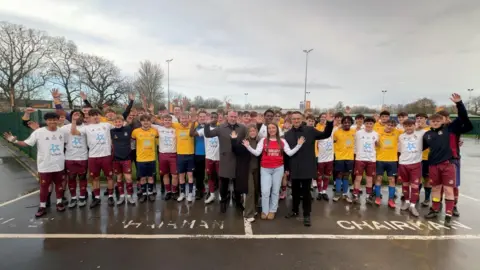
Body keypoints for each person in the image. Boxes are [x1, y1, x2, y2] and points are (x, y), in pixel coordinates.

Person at [4, 112, 66, 217]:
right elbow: (25, 143)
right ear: (46, 121)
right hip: (44, 166)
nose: (52, 122)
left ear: (58, 120)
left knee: (59, 185)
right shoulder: (38, 132)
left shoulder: (62, 132)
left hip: (59, 165)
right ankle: (42, 207)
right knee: (44, 187)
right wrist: (13, 141)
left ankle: (59, 203)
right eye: (49, 120)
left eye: (54, 119)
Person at [423, 94, 471, 227]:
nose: (437, 121)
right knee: (436, 188)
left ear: (445, 120)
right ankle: (435, 208)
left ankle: (450, 210)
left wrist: (459, 103)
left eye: (440, 119)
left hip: (450, 162)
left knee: (451, 187)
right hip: (434, 164)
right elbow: (420, 147)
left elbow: (463, 118)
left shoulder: (451, 129)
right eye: (434, 119)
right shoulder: (428, 134)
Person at [243, 123, 304, 220]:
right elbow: (257, 153)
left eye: (273, 128)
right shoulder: (263, 140)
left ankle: (273, 210)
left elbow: (289, 153)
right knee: (265, 191)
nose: (271, 130)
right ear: (267, 130)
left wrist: (298, 145)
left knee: (275, 191)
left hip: (278, 169)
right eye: (269, 128)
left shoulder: (282, 141)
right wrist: (248, 147)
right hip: (265, 169)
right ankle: (265, 210)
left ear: (277, 129)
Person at [284, 111, 333, 227]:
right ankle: (295, 210)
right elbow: (286, 154)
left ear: (302, 119)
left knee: (306, 193)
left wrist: (330, 122)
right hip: (294, 167)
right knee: (295, 192)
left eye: (298, 118)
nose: (296, 121)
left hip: (307, 167)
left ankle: (307, 214)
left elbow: (325, 134)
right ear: (291, 120)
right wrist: (286, 168)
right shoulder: (287, 134)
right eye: (294, 119)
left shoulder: (310, 130)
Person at [204, 110, 247, 213]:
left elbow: (249, 137)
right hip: (225, 159)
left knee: (237, 184)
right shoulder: (221, 128)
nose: (233, 118)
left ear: (237, 117)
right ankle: (223, 202)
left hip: (237, 159)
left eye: (235, 116)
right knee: (224, 183)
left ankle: (238, 202)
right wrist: (207, 124)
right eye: (231, 116)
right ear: (227, 117)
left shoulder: (242, 128)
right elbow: (208, 134)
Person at [71, 109, 114, 208]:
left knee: (110, 177)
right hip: (93, 157)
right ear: (89, 117)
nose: (95, 117)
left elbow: (121, 124)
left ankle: (111, 196)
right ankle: (97, 198)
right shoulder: (87, 128)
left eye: (97, 114)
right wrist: (73, 120)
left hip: (106, 156)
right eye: (93, 115)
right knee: (95, 178)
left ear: (100, 115)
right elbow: (73, 132)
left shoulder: (106, 125)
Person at [60, 110, 89, 208]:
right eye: (75, 115)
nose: (77, 117)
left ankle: (82, 197)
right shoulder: (64, 128)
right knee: (71, 178)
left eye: (79, 115)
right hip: (70, 157)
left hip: (83, 157)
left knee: (82, 177)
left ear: (83, 117)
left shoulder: (86, 128)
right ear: (71, 116)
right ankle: (73, 198)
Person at [231, 125, 259, 222]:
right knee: (250, 191)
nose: (252, 132)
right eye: (250, 130)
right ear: (248, 132)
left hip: (258, 169)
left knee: (256, 190)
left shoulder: (260, 141)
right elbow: (236, 150)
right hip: (247, 170)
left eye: (254, 130)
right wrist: (233, 139)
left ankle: (253, 209)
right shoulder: (244, 142)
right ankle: (248, 214)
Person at [398, 119, 424, 217]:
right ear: (404, 127)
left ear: (414, 126)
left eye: (411, 125)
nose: (409, 128)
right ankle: (407, 202)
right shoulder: (401, 136)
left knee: (415, 186)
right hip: (403, 163)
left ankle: (413, 206)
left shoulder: (421, 135)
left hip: (416, 164)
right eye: (406, 126)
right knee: (405, 184)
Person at [375, 119, 402, 208]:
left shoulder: (397, 132)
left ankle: (391, 199)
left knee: (392, 180)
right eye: (388, 125)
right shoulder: (378, 132)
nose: (390, 127)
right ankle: (378, 197)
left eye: (392, 125)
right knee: (379, 178)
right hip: (380, 160)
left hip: (392, 160)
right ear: (385, 125)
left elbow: (408, 129)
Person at [132, 114, 159, 203]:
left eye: (147, 120)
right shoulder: (135, 132)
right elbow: (132, 141)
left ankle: (150, 193)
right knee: (142, 178)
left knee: (151, 177)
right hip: (140, 159)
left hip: (151, 158)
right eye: (143, 120)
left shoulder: (155, 131)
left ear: (150, 121)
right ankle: (144, 194)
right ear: (141, 122)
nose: (146, 122)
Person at [194, 112, 220, 204]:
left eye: (215, 117)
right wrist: (194, 122)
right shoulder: (205, 128)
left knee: (220, 176)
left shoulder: (220, 128)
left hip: (219, 157)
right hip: (209, 156)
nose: (213, 118)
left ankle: (221, 194)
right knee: (210, 176)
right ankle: (212, 194)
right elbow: (192, 134)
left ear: (218, 118)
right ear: (209, 118)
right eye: (211, 117)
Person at [153, 114, 179, 201]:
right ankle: (168, 192)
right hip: (163, 155)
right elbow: (148, 121)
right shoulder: (158, 128)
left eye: (169, 120)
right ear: (162, 121)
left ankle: (174, 192)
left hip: (173, 154)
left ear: (171, 121)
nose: (167, 122)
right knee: (165, 174)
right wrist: (150, 111)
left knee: (175, 175)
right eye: (165, 120)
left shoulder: (175, 129)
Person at [111, 115, 135, 205]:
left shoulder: (128, 129)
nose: (118, 123)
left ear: (122, 122)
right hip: (116, 158)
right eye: (116, 122)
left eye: (119, 121)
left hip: (127, 157)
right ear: (113, 123)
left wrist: (128, 120)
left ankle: (129, 195)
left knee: (128, 178)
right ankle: (121, 196)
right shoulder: (111, 131)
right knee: (119, 177)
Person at [353, 117, 378, 204]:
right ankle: (355, 194)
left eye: (371, 123)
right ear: (364, 124)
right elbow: (354, 142)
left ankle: (368, 195)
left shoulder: (376, 134)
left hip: (371, 159)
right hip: (360, 159)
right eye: (367, 123)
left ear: (373, 125)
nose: (369, 125)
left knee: (369, 179)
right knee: (358, 178)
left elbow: (377, 145)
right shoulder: (358, 133)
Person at [172, 113, 196, 202]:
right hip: (180, 155)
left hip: (190, 154)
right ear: (179, 119)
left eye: (186, 118)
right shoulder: (176, 125)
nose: (184, 120)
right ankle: (182, 193)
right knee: (181, 175)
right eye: (182, 118)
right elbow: (160, 121)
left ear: (188, 119)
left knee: (190, 175)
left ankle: (190, 194)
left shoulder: (193, 125)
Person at [332, 116, 356, 202]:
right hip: (339, 157)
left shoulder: (354, 132)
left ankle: (345, 194)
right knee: (339, 175)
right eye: (345, 122)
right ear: (342, 123)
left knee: (346, 176)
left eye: (348, 122)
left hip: (349, 158)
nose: (346, 124)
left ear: (351, 123)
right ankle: (338, 193)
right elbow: (332, 142)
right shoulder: (337, 132)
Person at [415, 113, 432, 207]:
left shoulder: (430, 129)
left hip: (428, 158)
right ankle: (416, 196)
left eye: (421, 118)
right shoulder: (415, 130)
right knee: (417, 178)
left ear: (426, 119)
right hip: (417, 158)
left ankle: (426, 198)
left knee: (427, 178)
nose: (419, 119)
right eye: (417, 118)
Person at [190, 110, 207, 200]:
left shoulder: (210, 127)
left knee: (209, 173)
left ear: (206, 117)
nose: (202, 118)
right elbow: (191, 134)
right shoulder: (195, 127)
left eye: (204, 116)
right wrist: (193, 122)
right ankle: (199, 190)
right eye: (200, 116)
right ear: (198, 117)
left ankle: (209, 190)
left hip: (209, 154)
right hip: (198, 153)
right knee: (198, 173)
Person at [316, 113, 333, 201]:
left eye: (325, 117)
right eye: (322, 117)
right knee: (319, 176)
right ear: (319, 118)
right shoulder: (316, 129)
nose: (323, 119)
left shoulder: (332, 130)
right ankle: (319, 191)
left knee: (326, 176)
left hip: (329, 158)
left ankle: (324, 191)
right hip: (320, 158)